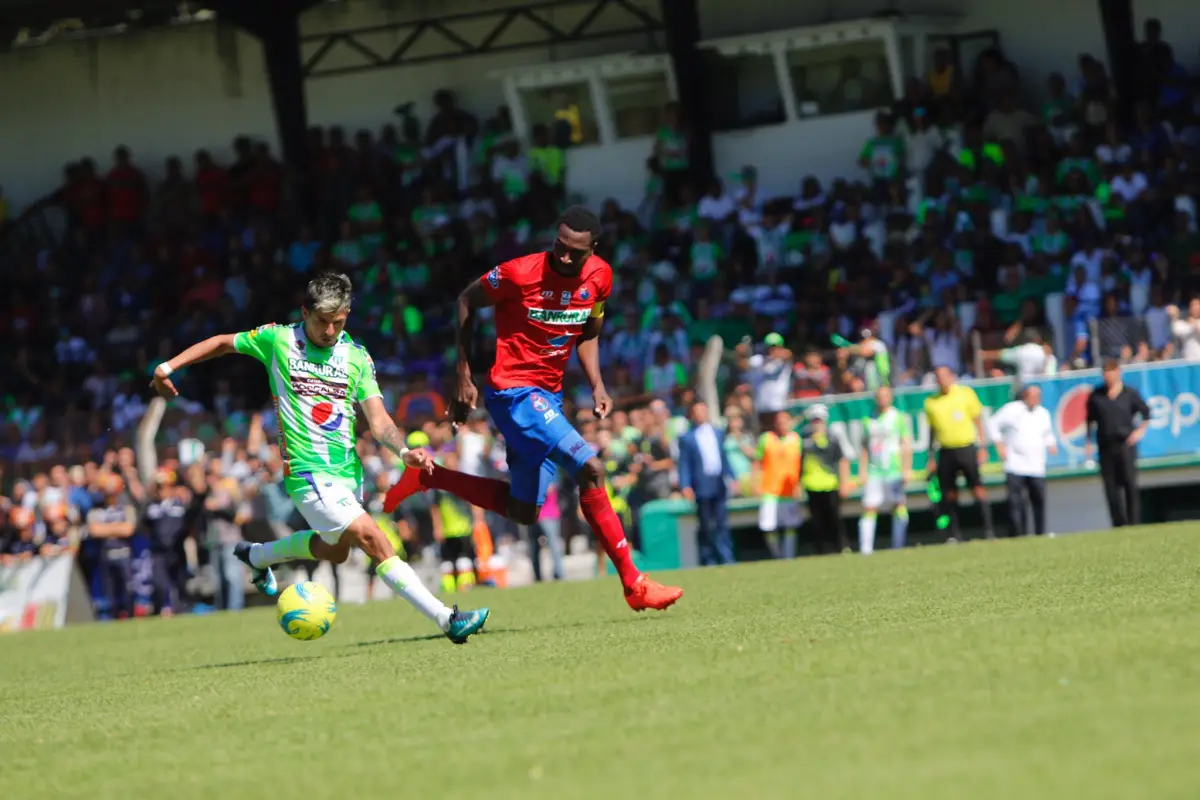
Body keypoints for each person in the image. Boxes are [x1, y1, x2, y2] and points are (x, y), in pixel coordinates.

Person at [150, 271, 489, 644]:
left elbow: (379, 422)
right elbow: (221, 343)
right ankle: (447, 618)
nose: (330, 331)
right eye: (322, 321)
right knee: (372, 537)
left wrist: (404, 451)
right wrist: (168, 368)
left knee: (337, 551)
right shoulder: (277, 339)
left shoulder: (356, 356)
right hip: (306, 474)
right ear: (305, 312)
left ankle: (260, 556)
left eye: (338, 322)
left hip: (347, 473)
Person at [384, 206, 683, 611]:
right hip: (514, 393)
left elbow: (589, 334)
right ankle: (635, 583)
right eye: (558, 246)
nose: (562, 257)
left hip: (549, 395)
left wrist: (596, 383)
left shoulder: (600, 278)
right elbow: (466, 300)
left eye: (573, 252)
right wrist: (464, 374)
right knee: (591, 469)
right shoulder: (519, 273)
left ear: (592, 250)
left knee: (523, 510)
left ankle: (429, 479)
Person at [923, 366, 995, 542]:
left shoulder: (965, 394)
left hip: (966, 447)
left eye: (944, 376)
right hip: (946, 450)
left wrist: (982, 446)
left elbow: (977, 419)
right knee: (949, 493)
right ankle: (954, 534)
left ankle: (988, 531)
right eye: (938, 377)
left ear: (951, 377)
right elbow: (932, 431)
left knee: (977, 489)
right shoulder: (931, 402)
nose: (942, 380)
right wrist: (931, 456)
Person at [1086, 359, 1150, 527]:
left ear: (1118, 373)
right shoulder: (1096, 396)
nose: (1108, 376)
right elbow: (1090, 420)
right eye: (1106, 373)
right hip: (1105, 444)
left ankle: (1133, 521)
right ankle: (1118, 522)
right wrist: (1088, 441)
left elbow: (1146, 413)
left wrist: (1139, 432)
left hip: (1125, 444)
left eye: (1111, 372)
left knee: (1129, 482)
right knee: (1110, 487)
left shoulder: (1129, 393)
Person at [987, 384, 1057, 537]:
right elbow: (992, 423)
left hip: (1036, 466)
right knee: (1016, 503)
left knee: (1038, 501)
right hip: (1015, 465)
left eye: (1037, 396)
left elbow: (1047, 433)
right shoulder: (1012, 410)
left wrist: (1051, 444)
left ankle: (1040, 532)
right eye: (1031, 396)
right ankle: (1017, 534)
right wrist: (999, 444)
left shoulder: (1043, 413)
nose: (1035, 399)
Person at [678, 400, 735, 566]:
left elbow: (723, 457)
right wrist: (685, 485)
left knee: (722, 522)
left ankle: (727, 557)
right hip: (701, 484)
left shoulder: (718, 433)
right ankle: (708, 559)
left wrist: (732, 476)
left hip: (718, 482)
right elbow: (684, 463)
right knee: (705, 524)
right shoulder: (688, 437)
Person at [858, 387, 913, 554]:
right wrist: (862, 470)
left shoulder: (898, 417)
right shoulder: (868, 419)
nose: (883, 399)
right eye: (879, 396)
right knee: (869, 507)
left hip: (893, 469)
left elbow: (905, 444)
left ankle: (898, 546)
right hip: (874, 470)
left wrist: (906, 468)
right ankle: (866, 549)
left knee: (898, 505)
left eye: (886, 396)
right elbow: (864, 447)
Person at [799, 405, 850, 555]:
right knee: (816, 520)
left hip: (830, 483)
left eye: (819, 420)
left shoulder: (832, 438)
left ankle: (841, 546)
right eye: (814, 420)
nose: (817, 423)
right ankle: (820, 548)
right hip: (811, 484)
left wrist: (844, 483)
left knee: (834, 517)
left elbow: (841, 460)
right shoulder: (804, 439)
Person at [755, 410, 803, 559]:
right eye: (779, 421)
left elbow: (800, 464)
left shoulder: (796, 440)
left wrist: (799, 485)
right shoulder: (766, 439)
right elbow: (758, 462)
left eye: (785, 421)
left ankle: (788, 556)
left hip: (789, 491)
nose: (782, 424)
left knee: (790, 526)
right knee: (769, 526)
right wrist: (755, 482)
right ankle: (777, 555)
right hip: (770, 490)